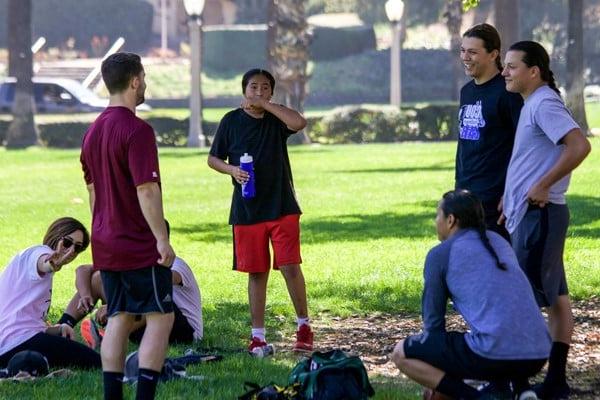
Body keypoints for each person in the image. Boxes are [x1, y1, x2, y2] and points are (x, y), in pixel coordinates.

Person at [391, 190, 550, 400]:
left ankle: (474, 398)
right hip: (539, 352)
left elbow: (433, 328)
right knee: (496, 335)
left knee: (401, 352)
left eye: (437, 215)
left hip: (495, 352)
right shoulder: (499, 242)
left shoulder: (440, 254)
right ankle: (521, 390)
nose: (435, 221)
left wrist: (437, 381)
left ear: (450, 220)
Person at [500, 41, 592, 399]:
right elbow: (534, 158)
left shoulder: (544, 103)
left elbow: (580, 146)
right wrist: (512, 199)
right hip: (531, 214)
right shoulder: (532, 103)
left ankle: (523, 381)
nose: (505, 72)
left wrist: (542, 185)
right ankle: (554, 382)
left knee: (526, 300)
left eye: (512, 66)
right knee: (557, 300)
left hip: (542, 216)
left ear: (533, 71)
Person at [80, 52, 175, 400]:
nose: (145, 83)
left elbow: (92, 193)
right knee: (160, 316)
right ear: (135, 81)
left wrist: (102, 229)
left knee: (119, 315)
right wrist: (161, 239)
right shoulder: (137, 130)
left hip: (105, 241)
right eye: (144, 77)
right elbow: (147, 189)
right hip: (137, 241)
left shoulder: (91, 133)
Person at [207, 68, 313, 353]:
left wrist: (266, 106)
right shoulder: (231, 121)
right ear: (244, 90)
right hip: (247, 209)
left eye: (265, 88)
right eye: (253, 87)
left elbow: (299, 122)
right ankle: (258, 336)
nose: (259, 92)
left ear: (271, 92)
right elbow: (213, 158)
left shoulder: (276, 120)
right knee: (257, 272)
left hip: (281, 205)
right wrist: (232, 170)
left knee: (290, 266)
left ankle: (304, 325)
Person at [57, 221, 203, 347]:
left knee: (151, 296)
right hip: (146, 329)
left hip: (185, 332)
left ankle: (109, 337)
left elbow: (156, 284)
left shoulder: (178, 266)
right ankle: (62, 327)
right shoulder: (136, 262)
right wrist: (85, 295)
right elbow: (83, 270)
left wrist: (117, 305)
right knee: (99, 277)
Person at [0, 217, 101, 370]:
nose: (71, 250)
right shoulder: (40, 252)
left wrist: (58, 329)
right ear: (56, 235)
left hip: (9, 346)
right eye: (67, 242)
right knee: (98, 362)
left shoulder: (24, 259)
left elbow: (25, 321)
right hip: (19, 341)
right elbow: (44, 263)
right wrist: (53, 264)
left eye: (77, 247)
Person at [455, 23, 523, 242]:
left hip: (496, 200)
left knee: (498, 262)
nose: (465, 57)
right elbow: (464, 144)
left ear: (493, 54)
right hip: (466, 196)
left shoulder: (508, 92)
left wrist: (511, 191)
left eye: (473, 52)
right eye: (463, 50)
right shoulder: (466, 91)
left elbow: (524, 145)